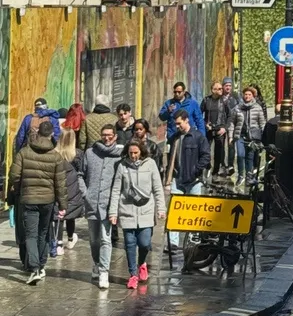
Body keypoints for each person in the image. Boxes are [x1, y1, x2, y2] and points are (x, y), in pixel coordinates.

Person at [7, 119, 67, 285]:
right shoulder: (55, 156)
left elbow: (14, 176)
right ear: (51, 135)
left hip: (28, 199)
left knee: (30, 234)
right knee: (43, 233)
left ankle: (34, 268)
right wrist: (63, 205)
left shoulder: (24, 152)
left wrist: (20, 189)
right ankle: (41, 265)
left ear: (37, 133)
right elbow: (60, 184)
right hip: (48, 200)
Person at [109, 140, 166, 288]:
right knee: (129, 244)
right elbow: (116, 190)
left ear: (141, 151)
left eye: (136, 153)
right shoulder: (122, 166)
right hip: (127, 210)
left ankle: (142, 263)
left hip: (146, 210)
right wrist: (113, 212)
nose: (133, 156)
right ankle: (133, 274)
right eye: (130, 153)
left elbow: (157, 188)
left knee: (145, 243)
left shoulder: (151, 164)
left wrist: (161, 208)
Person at [80, 123, 122, 289]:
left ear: (115, 137)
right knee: (93, 239)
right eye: (104, 134)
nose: (106, 138)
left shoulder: (119, 156)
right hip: (91, 203)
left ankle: (104, 271)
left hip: (108, 204)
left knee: (106, 238)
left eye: (110, 135)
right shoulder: (90, 153)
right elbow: (80, 174)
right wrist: (86, 193)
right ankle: (96, 262)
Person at [164, 110, 210, 248]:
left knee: (194, 212)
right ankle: (173, 242)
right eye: (175, 124)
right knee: (175, 211)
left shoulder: (198, 137)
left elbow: (206, 156)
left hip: (194, 181)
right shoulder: (175, 138)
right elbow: (170, 158)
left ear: (186, 120)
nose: (177, 126)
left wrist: (196, 170)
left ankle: (193, 239)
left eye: (179, 123)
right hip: (178, 179)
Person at [56, 127, 85, 251]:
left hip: (59, 185)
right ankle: (70, 238)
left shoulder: (55, 153)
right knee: (70, 215)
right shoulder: (77, 154)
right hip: (73, 187)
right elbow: (82, 171)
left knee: (59, 214)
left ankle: (58, 243)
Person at [233, 87, 265, 184]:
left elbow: (262, 123)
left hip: (252, 136)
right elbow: (231, 122)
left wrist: (263, 137)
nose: (247, 96)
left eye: (249, 94)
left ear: (253, 96)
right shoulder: (237, 107)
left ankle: (249, 177)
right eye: (245, 94)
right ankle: (240, 175)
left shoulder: (257, 107)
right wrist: (231, 136)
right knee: (240, 155)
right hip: (240, 135)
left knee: (249, 157)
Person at [201, 81, 231, 177]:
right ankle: (207, 167)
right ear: (213, 90)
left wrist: (225, 128)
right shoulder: (206, 100)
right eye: (217, 89)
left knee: (219, 152)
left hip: (220, 130)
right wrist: (205, 124)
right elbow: (199, 114)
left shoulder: (224, 101)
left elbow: (230, 116)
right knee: (206, 150)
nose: (220, 90)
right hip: (208, 130)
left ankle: (216, 172)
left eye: (221, 88)